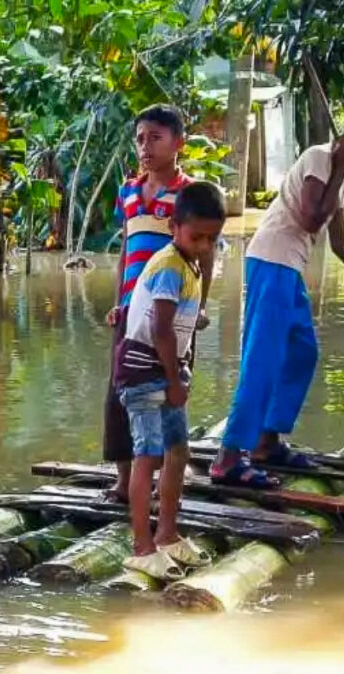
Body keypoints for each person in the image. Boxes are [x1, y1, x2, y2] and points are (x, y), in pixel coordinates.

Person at [210, 100, 344, 488]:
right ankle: (228, 458)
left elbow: (340, 245)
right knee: (262, 361)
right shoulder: (320, 158)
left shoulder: (339, 174)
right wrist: (339, 168)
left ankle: (266, 443)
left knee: (302, 352)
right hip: (272, 261)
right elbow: (310, 217)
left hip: (289, 269)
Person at [114, 181, 225, 580]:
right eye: (197, 237)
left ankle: (168, 534)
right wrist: (175, 380)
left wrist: (180, 374)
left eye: (213, 239)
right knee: (148, 455)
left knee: (178, 452)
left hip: (170, 371)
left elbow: (178, 326)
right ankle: (142, 547)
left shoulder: (190, 264)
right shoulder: (166, 266)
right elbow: (161, 329)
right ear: (174, 227)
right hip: (145, 372)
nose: (205, 246)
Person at [103, 104, 213, 503]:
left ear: (178, 143)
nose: (145, 147)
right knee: (121, 392)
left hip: (176, 310)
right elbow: (127, 250)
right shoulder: (128, 191)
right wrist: (120, 301)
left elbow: (205, 253)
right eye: (140, 139)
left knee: (170, 390)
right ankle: (123, 480)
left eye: (155, 138)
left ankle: (166, 481)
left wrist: (200, 306)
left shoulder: (190, 194)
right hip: (132, 312)